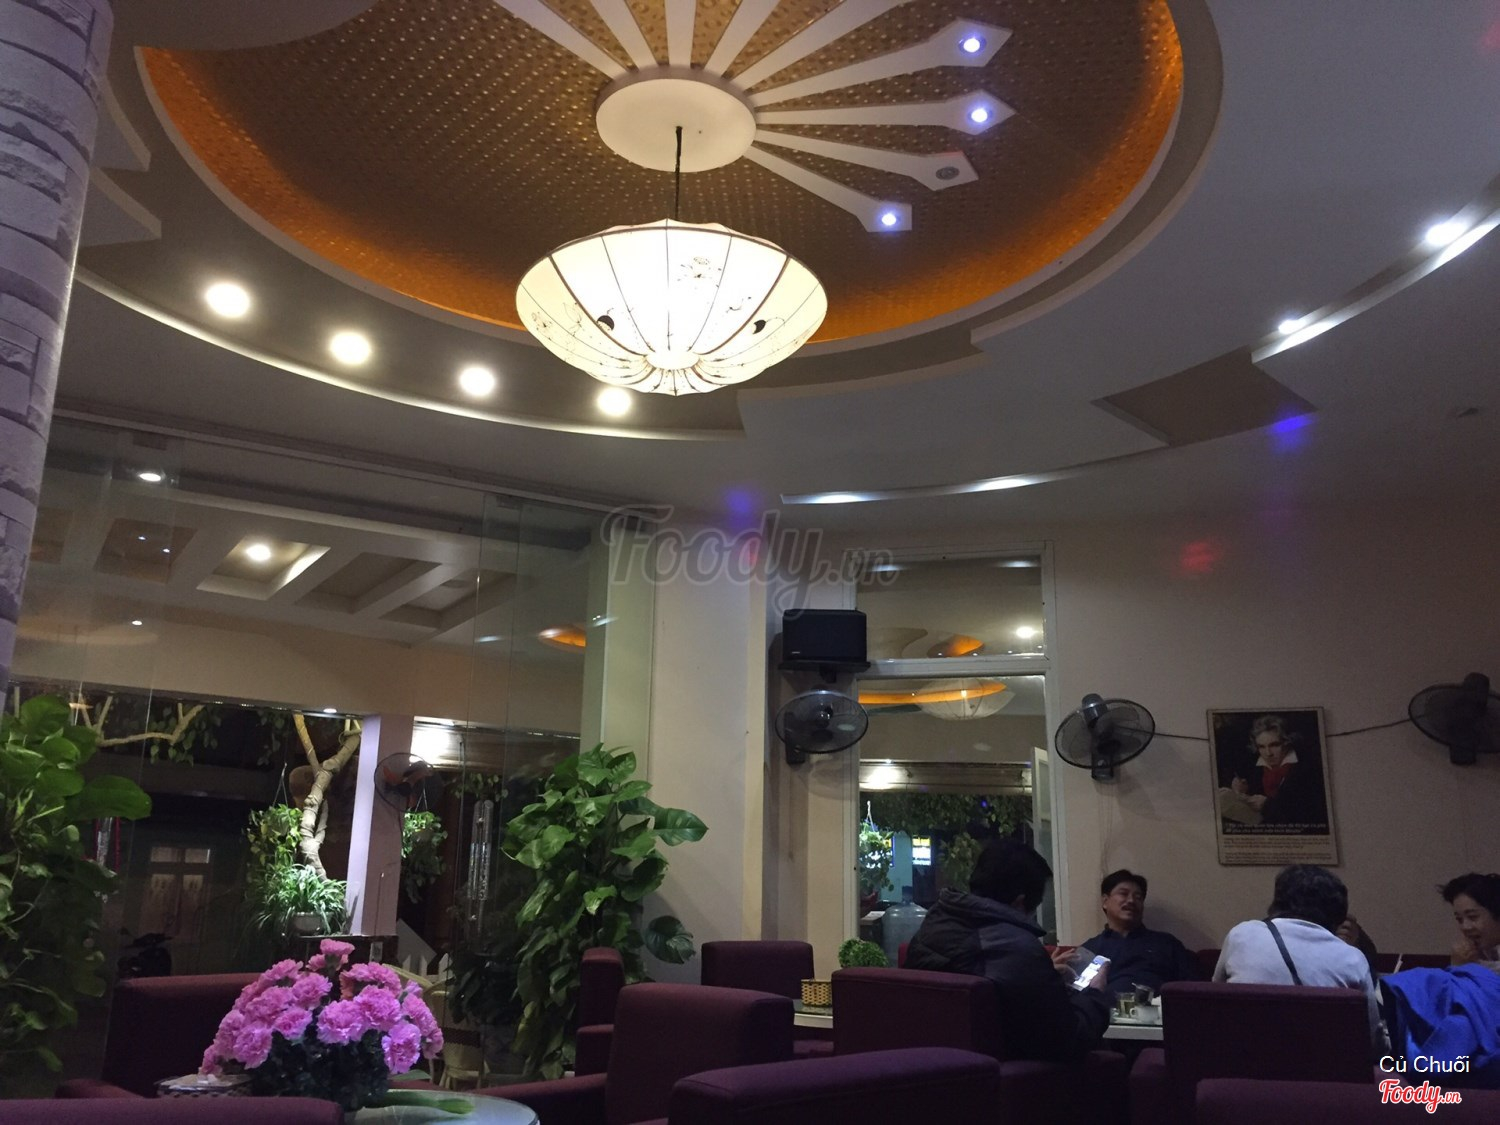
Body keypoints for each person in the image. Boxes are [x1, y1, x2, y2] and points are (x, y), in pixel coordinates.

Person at [905, 838, 1110, 1063]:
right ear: (1020, 902)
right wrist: (1095, 994)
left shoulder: (933, 924)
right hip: (1003, 1075)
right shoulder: (1018, 947)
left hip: (925, 1066)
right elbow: (1070, 1039)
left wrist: (1042, 974)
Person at [1214, 864, 1382, 1048]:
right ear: (1339, 915)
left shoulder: (1241, 935)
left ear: (1277, 902)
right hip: (1324, 1060)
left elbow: (1216, 1000)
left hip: (1243, 1053)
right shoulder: (1352, 957)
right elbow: (1371, 1039)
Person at [1077, 869, 1202, 995]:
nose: (1131, 900)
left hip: (1154, 1005)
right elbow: (1074, 995)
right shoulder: (1090, 949)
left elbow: (1193, 989)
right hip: (1102, 1005)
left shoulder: (1166, 944)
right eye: (1123, 894)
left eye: (1138, 897)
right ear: (1105, 902)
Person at [1229, 714, 1327, 825]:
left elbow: (1310, 813)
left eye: (1274, 745)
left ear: (1287, 742)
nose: (1268, 753)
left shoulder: (1309, 768)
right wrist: (1244, 789)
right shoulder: (1254, 767)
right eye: (1261, 747)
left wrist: (1267, 805)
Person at [1441, 872, 1500, 967]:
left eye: (1473, 917)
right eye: (1459, 919)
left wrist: (1462, 968)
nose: (1465, 927)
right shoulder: (1479, 955)